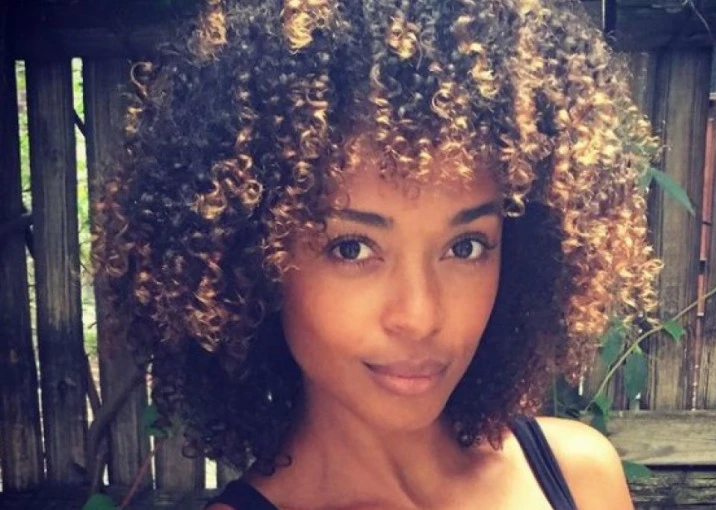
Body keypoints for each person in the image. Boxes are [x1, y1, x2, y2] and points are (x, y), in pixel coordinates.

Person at [93, 0, 662, 508]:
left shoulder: (578, 477)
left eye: (465, 246)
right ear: (254, 263)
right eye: (352, 248)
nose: (420, 316)